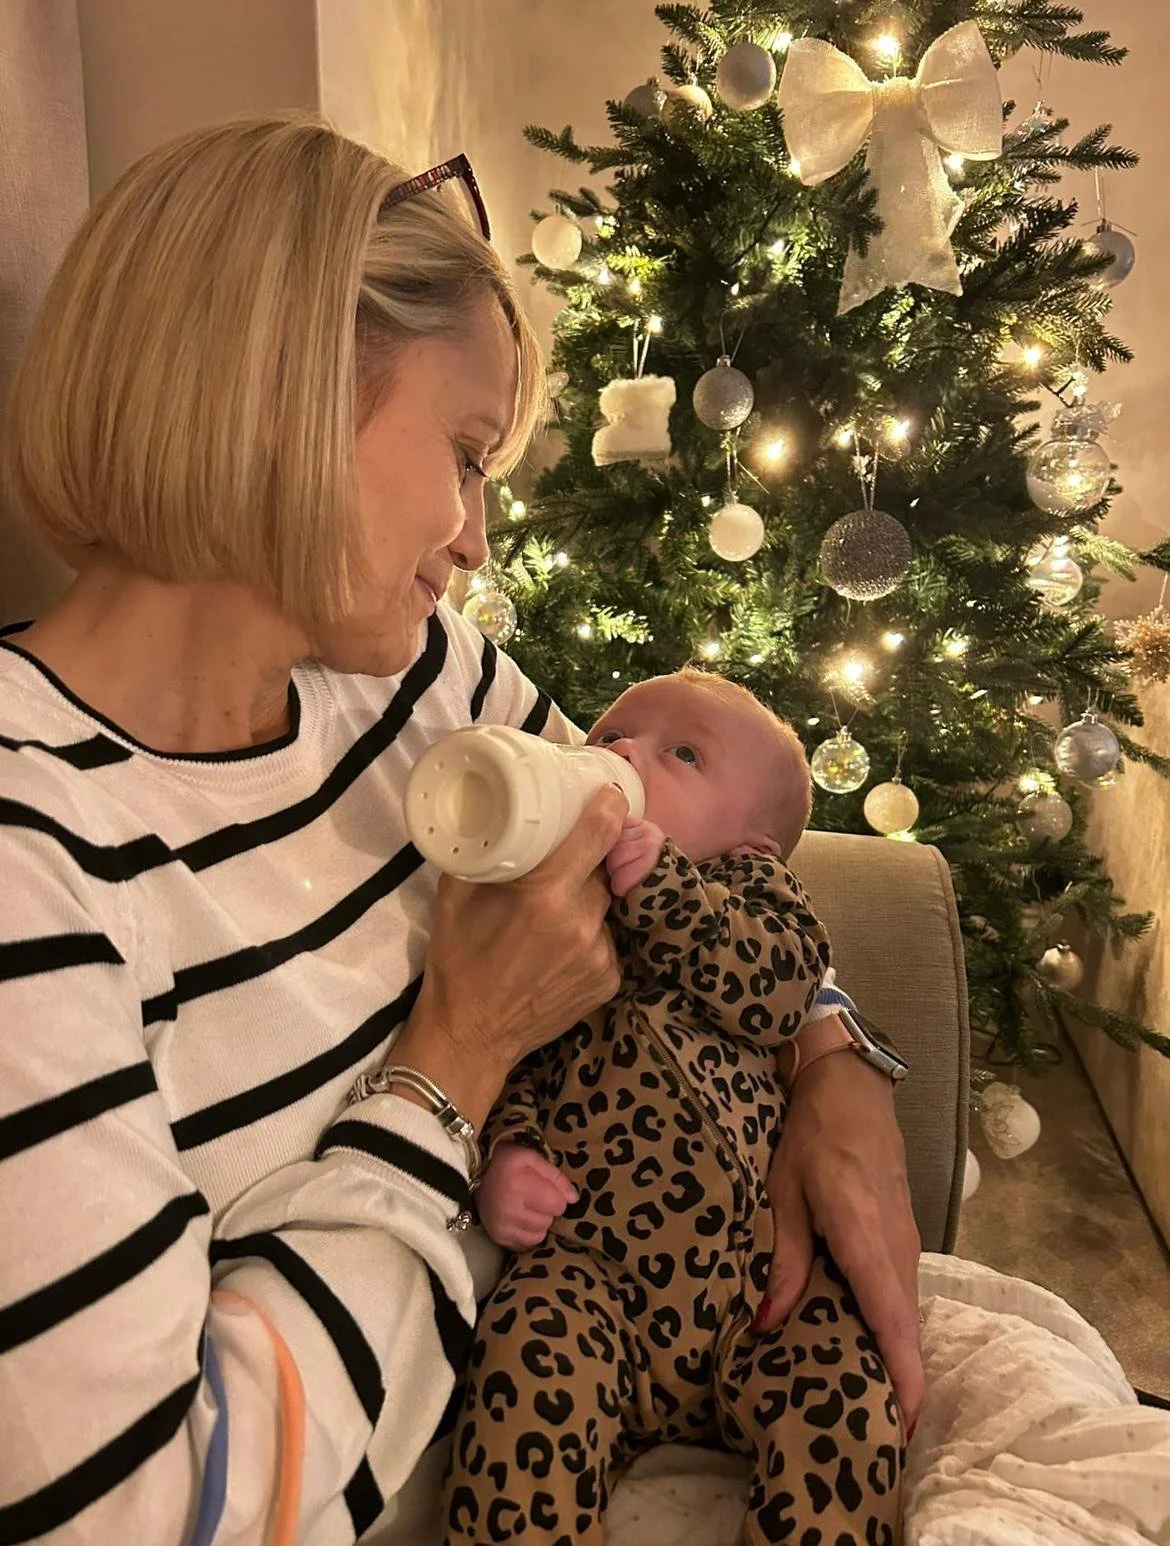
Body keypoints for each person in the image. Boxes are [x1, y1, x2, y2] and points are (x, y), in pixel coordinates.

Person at [0, 118, 921, 1545]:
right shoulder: (32, 842)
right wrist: (457, 1059)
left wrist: (831, 1053)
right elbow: (151, 1511)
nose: (478, 537)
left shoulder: (426, 678)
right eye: (466, 453)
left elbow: (655, 836)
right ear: (281, 392)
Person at [444, 670, 903, 1546]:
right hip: (589, 1277)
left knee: (845, 1400)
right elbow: (513, 1060)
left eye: (682, 753)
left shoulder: (756, 899)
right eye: (611, 732)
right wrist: (507, 1156)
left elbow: (776, 993)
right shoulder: (554, 911)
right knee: (524, 1363)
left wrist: (664, 887)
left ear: (753, 846)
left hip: (757, 1280)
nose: (622, 753)